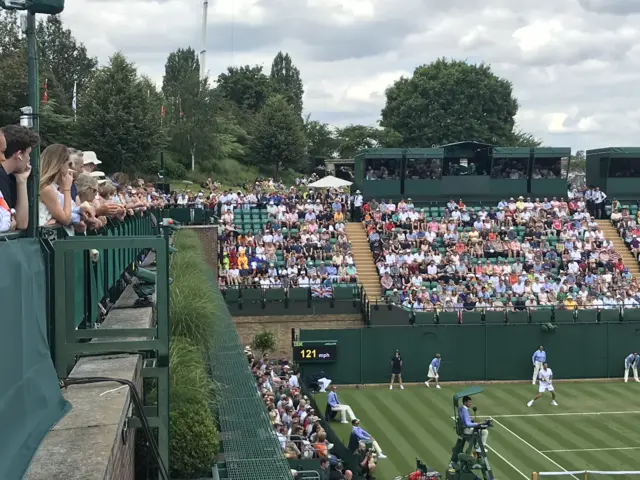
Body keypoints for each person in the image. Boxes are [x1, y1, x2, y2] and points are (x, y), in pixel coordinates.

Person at [0, 125, 39, 230]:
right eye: (28, 154)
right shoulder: (1, 177)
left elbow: (21, 223)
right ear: (19, 155)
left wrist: (21, 181)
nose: (29, 159)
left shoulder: (9, 177)